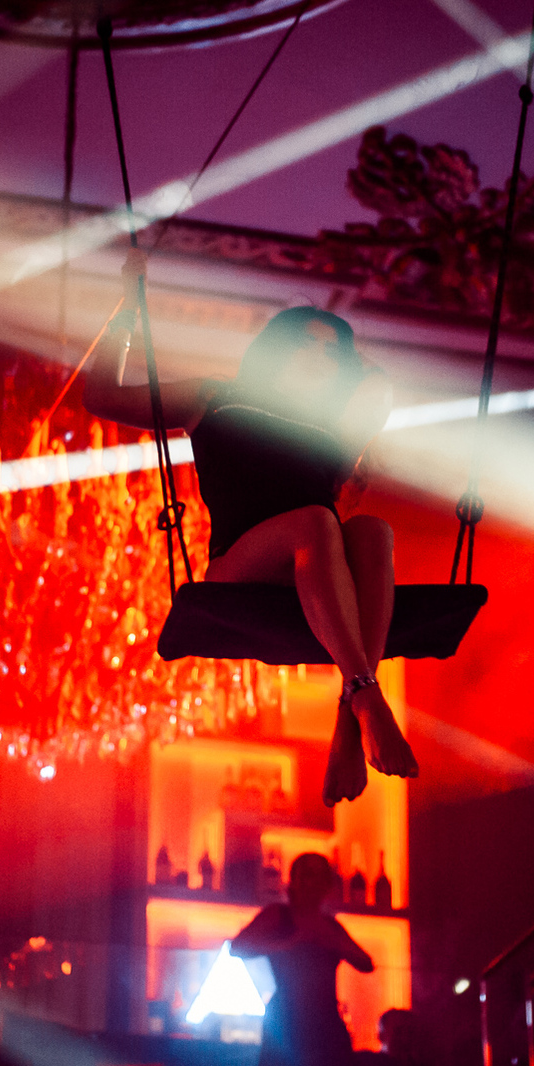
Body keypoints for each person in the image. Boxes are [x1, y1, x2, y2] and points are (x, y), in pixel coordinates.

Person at [83, 251, 417, 804]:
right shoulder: (215, 397)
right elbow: (101, 397)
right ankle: (365, 696)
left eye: (331, 352)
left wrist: (367, 401)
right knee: (315, 523)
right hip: (240, 568)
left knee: (373, 531)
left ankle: (350, 714)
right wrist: (126, 313)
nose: (319, 357)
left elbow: (356, 452)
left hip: (315, 569)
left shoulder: (331, 428)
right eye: (306, 344)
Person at [231, 853, 374, 1066]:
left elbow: (367, 963)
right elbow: (237, 948)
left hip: (326, 1024)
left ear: (327, 884)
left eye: (320, 876)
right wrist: (289, 943)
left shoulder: (331, 926)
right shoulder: (278, 915)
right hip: (287, 1021)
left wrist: (335, 943)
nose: (313, 882)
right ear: (294, 881)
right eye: (308, 875)